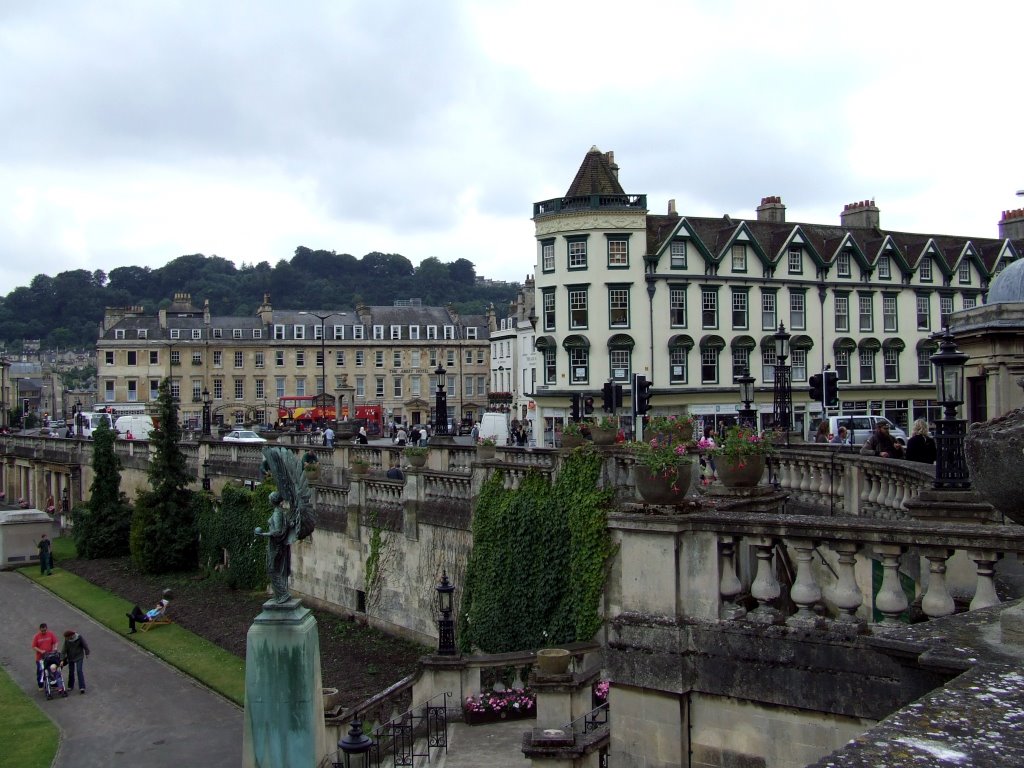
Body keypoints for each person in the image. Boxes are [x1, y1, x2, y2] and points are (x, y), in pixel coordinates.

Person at [61, 629, 90, 694]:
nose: (66, 639)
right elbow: (63, 650)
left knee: (79, 670)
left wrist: (87, 653)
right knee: (71, 671)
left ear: (70, 636)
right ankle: (70, 685)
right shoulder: (67, 640)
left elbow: (85, 645)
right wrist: (62, 659)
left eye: (67, 637)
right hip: (70, 657)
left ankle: (82, 687)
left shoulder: (79, 638)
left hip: (79, 656)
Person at [31, 622, 59, 689]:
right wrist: (41, 651)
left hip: (49, 656)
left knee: (52, 669)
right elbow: (34, 646)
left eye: (45, 630)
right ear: (40, 629)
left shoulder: (50, 634)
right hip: (40, 658)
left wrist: (55, 648)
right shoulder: (37, 636)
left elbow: (56, 641)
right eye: (42, 630)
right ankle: (40, 685)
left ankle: (53, 682)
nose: (43, 632)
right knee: (40, 671)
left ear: (47, 629)